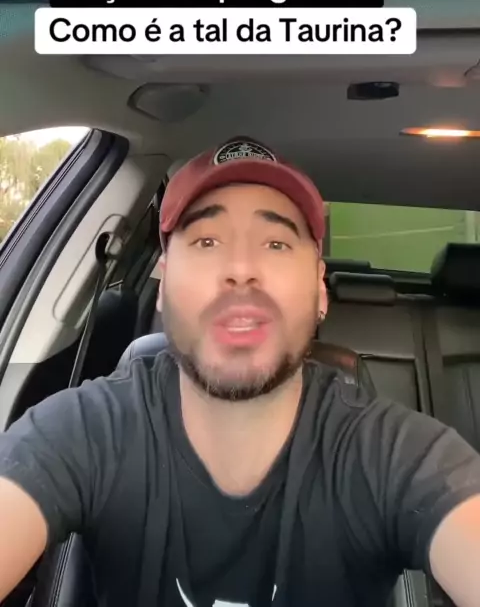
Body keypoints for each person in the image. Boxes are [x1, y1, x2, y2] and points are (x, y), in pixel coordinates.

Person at [1, 136, 480, 607]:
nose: (241, 267)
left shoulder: (397, 454)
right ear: (163, 285)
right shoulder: (84, 431)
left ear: (319, 290)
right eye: (207, 241)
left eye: (276, 243)